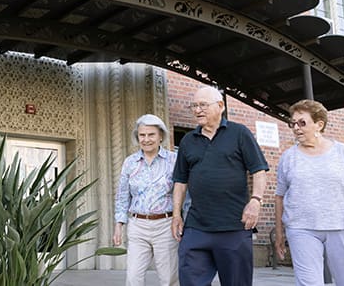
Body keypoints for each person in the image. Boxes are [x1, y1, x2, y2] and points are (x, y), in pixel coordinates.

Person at [171, 86, 269, 286]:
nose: (198, 110)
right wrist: (176, 215)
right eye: (194, 106)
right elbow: (180, 181)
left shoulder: (239, 133)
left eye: (203, 105)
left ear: (220, 106)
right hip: (196, 226)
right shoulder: (188, 141)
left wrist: (256, 201)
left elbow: (258, 171)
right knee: (190, 280)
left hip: (234, 226)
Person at [274, 99, 344, 286]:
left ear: (319, 124)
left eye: (302, 122)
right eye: (293, 123)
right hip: (301, 228)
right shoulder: (288, 157)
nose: (296, 128)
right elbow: (279, 197)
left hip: (342, 226)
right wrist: (279, 233)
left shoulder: (342, 152)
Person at [113, 114, 179, 286]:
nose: (146, 139)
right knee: (133, 278)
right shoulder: (130, 162)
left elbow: (183, 192)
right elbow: (122, 195)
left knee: (169, 278)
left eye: (151, 135)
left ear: (161, 136)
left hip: (166, 225)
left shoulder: (173, 160)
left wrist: (180, 219)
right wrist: (119, 225)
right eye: (142, 135)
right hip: (138, 226)